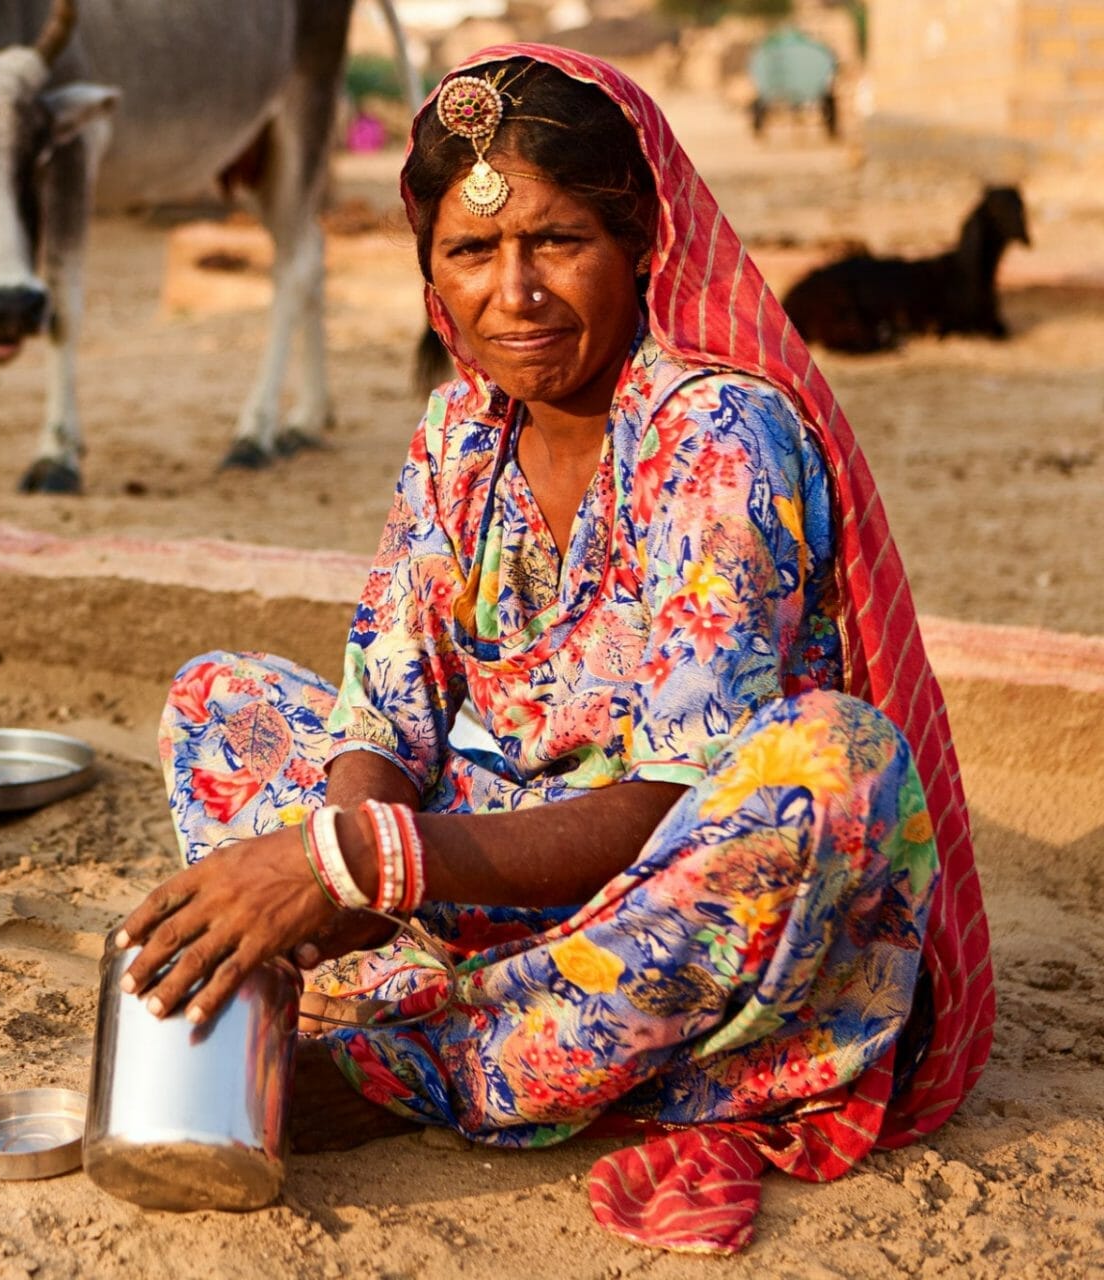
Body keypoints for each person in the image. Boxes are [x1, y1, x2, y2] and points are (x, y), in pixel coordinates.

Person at [116, 46, 993, 1255]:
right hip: (468, 873)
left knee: (835, 771)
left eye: (557, 241)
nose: (513, 293)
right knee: (223, 699)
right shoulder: (457, 432)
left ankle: (434, 1063)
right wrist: (348, 855)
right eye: (471, 252)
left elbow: (683, 790)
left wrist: (364, 863)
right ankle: (499, 1015)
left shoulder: (715, 431)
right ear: (432, 272)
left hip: (666, 888)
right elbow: (387, 705)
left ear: (640, 243)